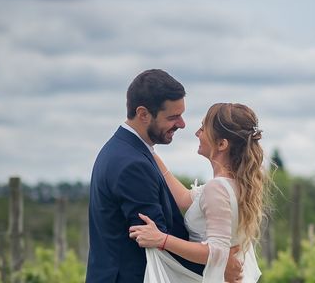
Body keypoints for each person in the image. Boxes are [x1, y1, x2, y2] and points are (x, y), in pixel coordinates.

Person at [85, 69, 242, 283]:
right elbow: (157, 243)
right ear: (143, 114)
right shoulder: (132, 164)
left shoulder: (127, 151)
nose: (182, 124)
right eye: (173, 117)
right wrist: (219, 266)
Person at [129, 102, 265, 283]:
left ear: (222, 144)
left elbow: (217, 252)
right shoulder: (233, 185)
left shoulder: (217, 188)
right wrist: (150, 151)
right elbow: (184, 198)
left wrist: (161, 239)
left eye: (203, 128)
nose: (197, 133)